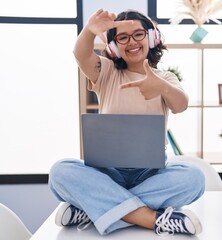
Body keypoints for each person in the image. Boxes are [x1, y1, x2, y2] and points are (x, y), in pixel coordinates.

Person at [48, 9, 205, 236]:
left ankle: (94, 208)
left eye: (138, 34)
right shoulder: (107, 72)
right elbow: (81, 55)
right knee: (59, 173)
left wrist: (161, 87)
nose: (131, 42)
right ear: (114, 47)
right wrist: (89, 31)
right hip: (107, 173)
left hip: (150, 174)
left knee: (195, 178)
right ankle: (151, 218)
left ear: (152, 38)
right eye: (123, 37)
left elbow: (181, 105)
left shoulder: (166, 79)